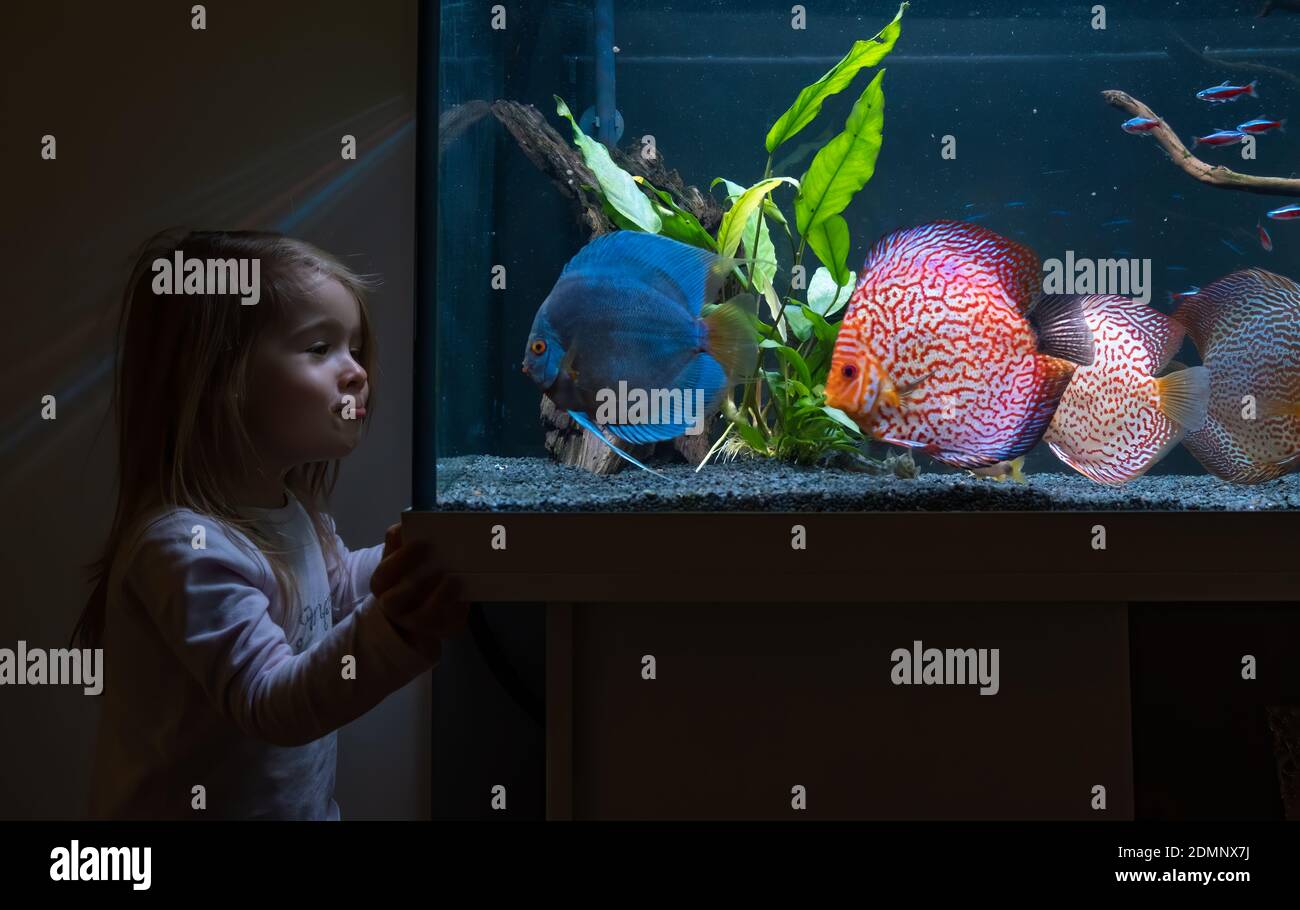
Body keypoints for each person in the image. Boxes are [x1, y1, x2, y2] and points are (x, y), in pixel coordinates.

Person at [75, 228, 466, 819]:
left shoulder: (294, 513)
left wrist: (420, 553)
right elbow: (270, 703)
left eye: (355, 347)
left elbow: (332, 593)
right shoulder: (184, 547)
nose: (357, 371)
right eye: (319, 348)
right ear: (218, 382)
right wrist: (399, 632)